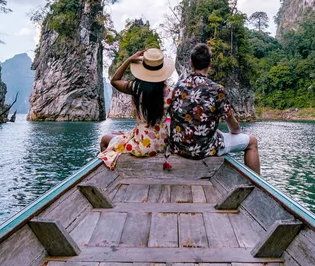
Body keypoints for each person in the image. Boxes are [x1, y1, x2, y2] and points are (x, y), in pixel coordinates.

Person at [169, 43, 260, 173]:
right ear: (209, 64)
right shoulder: (217, 89)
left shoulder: (178, 87)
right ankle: (257, 187)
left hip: (179, 147)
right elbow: (233, 127)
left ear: (191, 63)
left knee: (217, 133)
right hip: (204, 149)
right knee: (252, 142)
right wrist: (235, 131)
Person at [99, 48, 174, 169]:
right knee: (116, 133)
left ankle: (111, 171)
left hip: (142, 144)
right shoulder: (170, 92)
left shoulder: (136, 88)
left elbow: (114, 80)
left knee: (104, 140)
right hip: (162, 142)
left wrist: (129, 60)